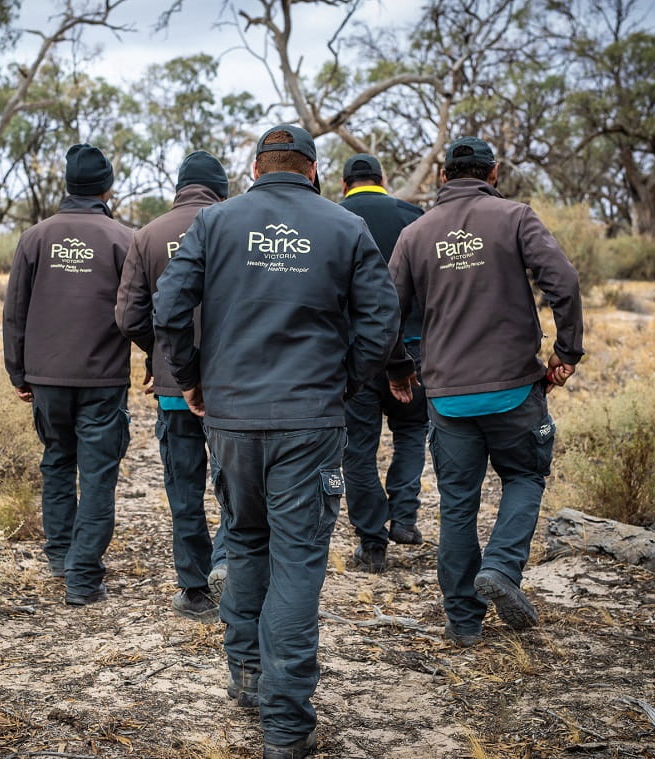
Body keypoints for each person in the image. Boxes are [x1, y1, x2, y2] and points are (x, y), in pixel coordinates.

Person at [154, 125, 405, 759]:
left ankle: (248, 673)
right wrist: (346, 383)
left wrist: (193, 379)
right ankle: (286, 723)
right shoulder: (344, 226)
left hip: (231, 417)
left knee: (245, 538)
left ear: (256, 168)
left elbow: (167, 309)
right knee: (297, 559)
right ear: (314, 172)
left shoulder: (214, 224)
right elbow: (382, 319)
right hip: (309, 419)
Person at [386, 136, 584, 647]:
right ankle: (499, 566)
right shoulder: (516, 217)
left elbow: (385, 310)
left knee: (457, 504)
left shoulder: (414, 233)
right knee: (525, 475)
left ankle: (463, 621)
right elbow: (562, 280)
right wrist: (567, 351)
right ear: (493, 173)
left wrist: (399, 369)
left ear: (443, 177)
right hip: (516, 389)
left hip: (448, 396)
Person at [3, 143, 134, 607]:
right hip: (102, 379)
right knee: (98, 474)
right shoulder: (122, 239)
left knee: (57, 462)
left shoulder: (35, 238)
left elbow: (14, 310)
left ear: (67, 184)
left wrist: (19, 372)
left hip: (47, 378)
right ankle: (82, 578)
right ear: (106, 185)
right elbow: (135, 311)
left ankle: (60, 556)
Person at [114, 150, 230, 624]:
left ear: (179, 188)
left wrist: (157, 351)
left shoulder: (147, 235)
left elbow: (128, 316)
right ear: (221, 190)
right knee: (234, 483)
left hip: (171, 385)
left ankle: (196, 589)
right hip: (230, 384)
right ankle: (228, 561)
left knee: (184, 487)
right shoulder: (236, 226)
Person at [337, 153, 427, 574]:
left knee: (358, 448)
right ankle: (405, 517)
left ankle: (372, 543)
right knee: (411, 428)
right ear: (383, 180)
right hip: (414, 348)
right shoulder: (416, 217)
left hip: (358, 355)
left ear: (343, 185)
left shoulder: (332, 218)